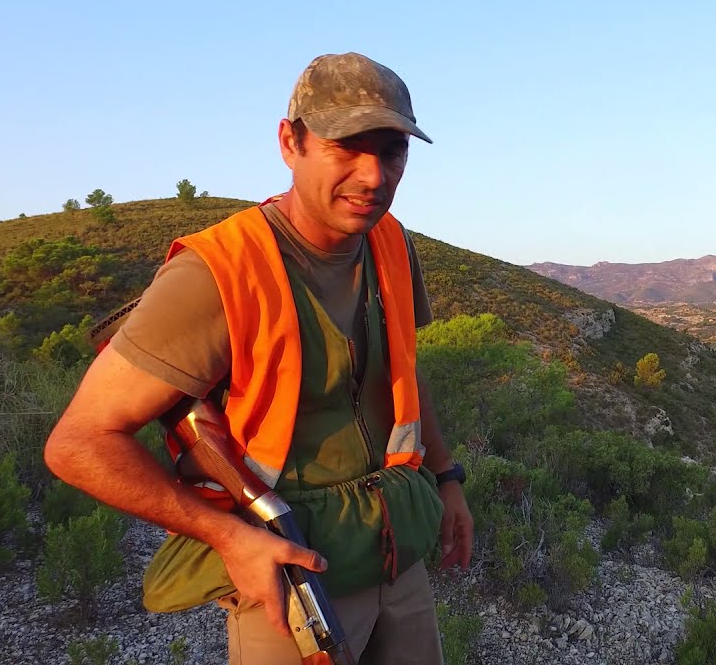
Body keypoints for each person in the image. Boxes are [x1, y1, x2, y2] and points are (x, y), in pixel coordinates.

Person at [44, 52, 472, 665]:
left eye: (392, 150)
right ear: (289, 142)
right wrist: (229, 538)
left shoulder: (391, 242)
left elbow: (402, 370)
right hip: (291, 573)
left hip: (397, 555)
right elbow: (78, 443)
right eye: (346, 146)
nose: (374, 175)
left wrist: (446, 477)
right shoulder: (217, 272)